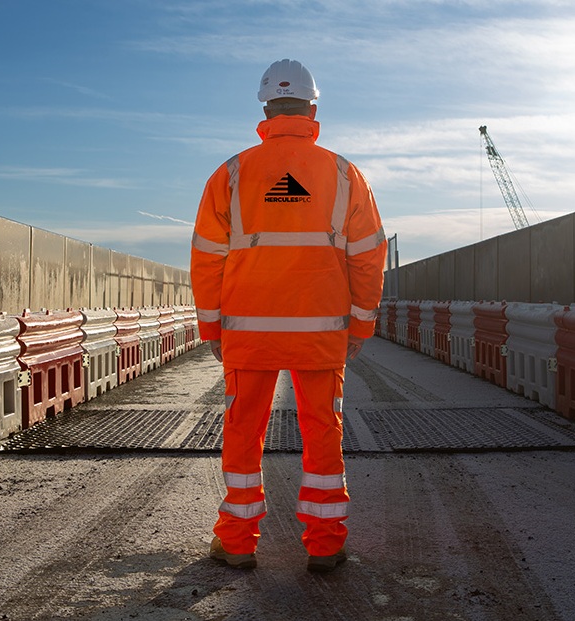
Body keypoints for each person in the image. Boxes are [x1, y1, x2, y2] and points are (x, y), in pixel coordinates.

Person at [190, 59, 386, 572]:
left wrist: (212, 327)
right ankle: (324, 543)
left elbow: (207, 257)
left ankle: (237, 541)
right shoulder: (344, 174)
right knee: (323, 431)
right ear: (313, 109)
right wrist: (360, 324)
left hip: (248, 334)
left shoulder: (231, 174)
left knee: (242, 431)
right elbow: (367, 255)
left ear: (264, 108)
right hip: (321, 335)